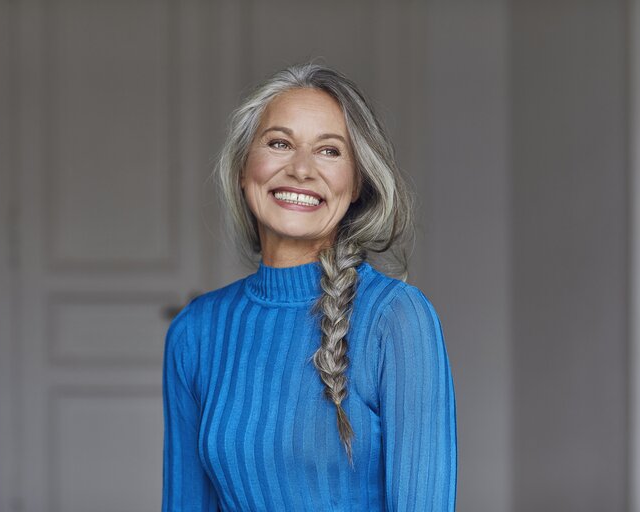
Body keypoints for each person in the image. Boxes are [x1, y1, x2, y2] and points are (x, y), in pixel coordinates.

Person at [161, 61, 457, 511]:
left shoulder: (396, 318)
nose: (301, 169)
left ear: (357, 182)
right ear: (244, 169)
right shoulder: (196, 332)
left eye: (329, 151)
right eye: (280, 143)